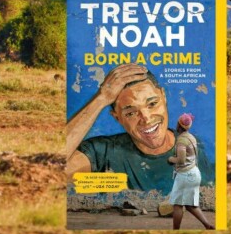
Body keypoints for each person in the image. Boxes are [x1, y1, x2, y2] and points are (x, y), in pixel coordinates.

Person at [65, 64, 177, 192]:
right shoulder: (103, 153)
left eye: (152, 104)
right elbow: (48, 170)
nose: (146, 119)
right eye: (131, 113)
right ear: (117, 117)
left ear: (164, 96)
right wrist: (101, 99)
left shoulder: (194, 146)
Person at [168, 113, 215, 230]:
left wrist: (170, 159)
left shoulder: (182, 140)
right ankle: (208, 225)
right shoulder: (191, 137)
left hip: (185, 175)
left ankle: (175, 230)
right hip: (194, 173)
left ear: (178, 125)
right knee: (190, 205)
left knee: (178, 204)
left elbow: (181, 160)